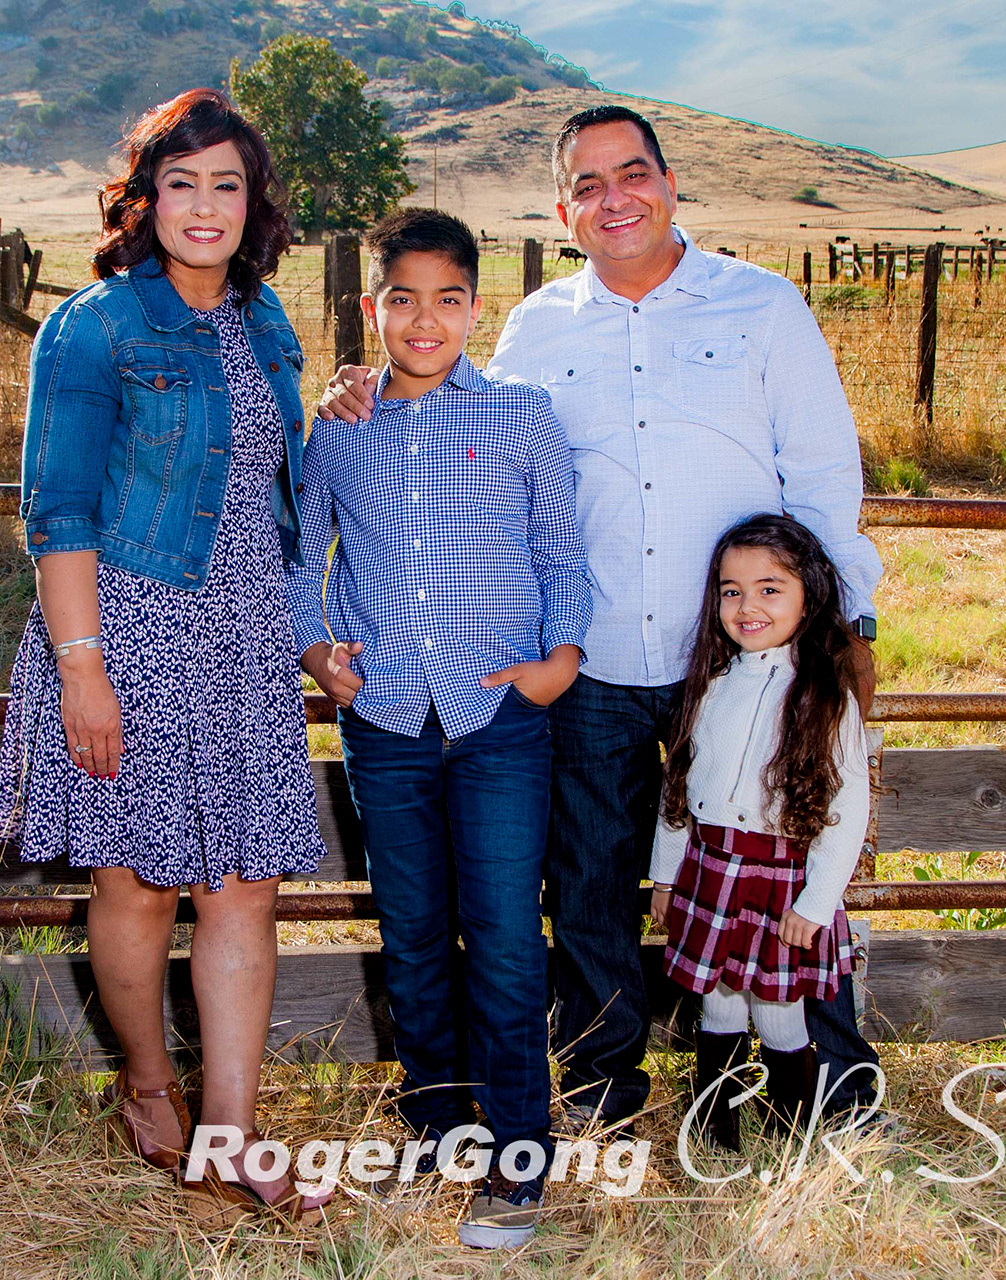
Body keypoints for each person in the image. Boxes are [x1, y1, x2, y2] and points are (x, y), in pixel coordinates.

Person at [316, 104, 885, 1131]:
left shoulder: (761, 306)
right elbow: (461, 421)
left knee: (787, 846)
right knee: (587, 885)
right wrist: (358, 390)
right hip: (596, 657)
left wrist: (850, 631)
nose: (614, 197)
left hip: (744, 657)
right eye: (588, 183)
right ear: (562, 210)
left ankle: (833, 1090)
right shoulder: (538, 327)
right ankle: (601, 1092)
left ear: (669, 184)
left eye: (633, 173)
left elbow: (823, 477)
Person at [0, 88, 329, 1226]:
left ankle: (231, 1135)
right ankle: (146, 1085)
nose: (205, 205)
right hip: (133, 629)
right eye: (182, 183)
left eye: (227, 184)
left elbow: (276, 475)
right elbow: (57, 510)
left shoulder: (265, 321)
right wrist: (82, 669)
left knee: (245, 884)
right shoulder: (95, 327)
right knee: (137, 882)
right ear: (145, 199)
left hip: (246, 636)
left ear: (253, 203)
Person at [286, 209, 591, 1249]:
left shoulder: (520, 416)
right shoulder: (340, 426)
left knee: (503, 935)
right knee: (413, 934)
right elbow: (302, 555)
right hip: (385, 720)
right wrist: (318, 651)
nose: (426, 320)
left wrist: (561, 661)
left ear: (475, 308)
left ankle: (517, 1155)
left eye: (448, 299)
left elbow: (562, 552)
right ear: (370, 307)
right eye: (403, 299)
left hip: (499, 715)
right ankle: (437, 1126)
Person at [649, 514, 867, 1150]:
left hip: (782, 879)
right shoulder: (711, 687)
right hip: (711, 869)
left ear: (809, 596)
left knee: (777, 1007)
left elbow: (846, 811)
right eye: (732, 591)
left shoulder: (825, 696)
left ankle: (791, 1123)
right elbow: (679, 792)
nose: (748, 607)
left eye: (770, 589)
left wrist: (816, 903)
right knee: (718, 998)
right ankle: (712, 1123)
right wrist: (665, 876)